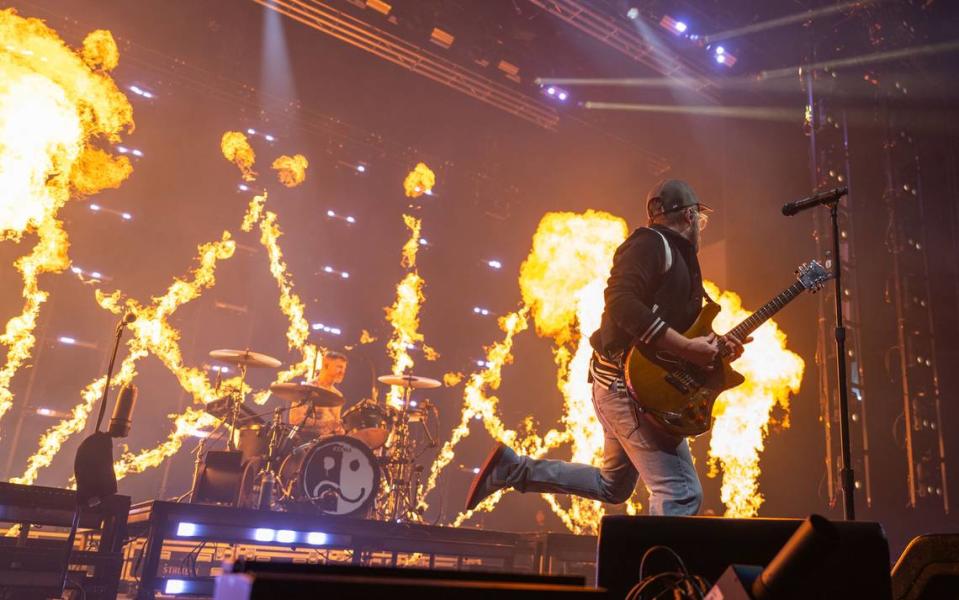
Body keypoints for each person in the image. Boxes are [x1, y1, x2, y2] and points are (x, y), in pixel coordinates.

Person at [465, 180, 749, 516]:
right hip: (627, 388)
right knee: (680, 493)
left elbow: (671, 337)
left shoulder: (675, 257)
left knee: (612, 486)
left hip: (630, 387)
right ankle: (657, 569)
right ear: (689, 215)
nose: (701, 227)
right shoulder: (650, 244)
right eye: (700, 220)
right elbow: (622, 304)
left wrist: (711, 350)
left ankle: (512, 469)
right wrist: (688, 348)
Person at [289, 351, 348, 437]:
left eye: (344, 369)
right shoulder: (307, 389)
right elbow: (295, 419)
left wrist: (340, 430)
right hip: (306, 441)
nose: (342, 372)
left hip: (327, 442)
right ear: (326, 365)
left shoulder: (338, 395)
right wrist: (324, 424)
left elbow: (335, 424)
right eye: (339, 367)